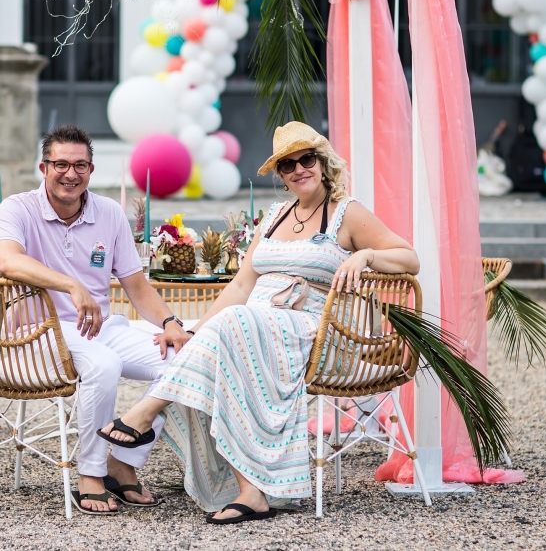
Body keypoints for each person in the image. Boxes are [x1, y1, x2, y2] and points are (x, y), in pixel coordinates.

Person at [98, 121, 420, 524]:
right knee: (222, 336)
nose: (299, 169)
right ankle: (251, 492)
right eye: (288, 164)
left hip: (317, 332)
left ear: (322, 163)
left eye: (307, 159)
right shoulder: (274, 215)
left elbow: (410, 258)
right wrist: (199, 333)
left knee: (237, 325)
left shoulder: (346, 213)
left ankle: (144, 413)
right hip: (253, 326)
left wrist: (365, 256)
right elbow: (241, 285)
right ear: (281, 175)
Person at [0, 124, 191, 515]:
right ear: (43, 167)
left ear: (91, 170)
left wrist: (170, 322)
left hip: (100, 328)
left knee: (184, 357)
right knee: (105, 365)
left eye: (80, 165)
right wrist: (72, 286)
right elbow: (9, 260)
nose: (70, 173)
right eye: (61, 164)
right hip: (38, 331)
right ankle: (91, 473)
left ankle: (124, 463)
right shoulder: (18, 207)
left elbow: (135, 284)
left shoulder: (109, 214)